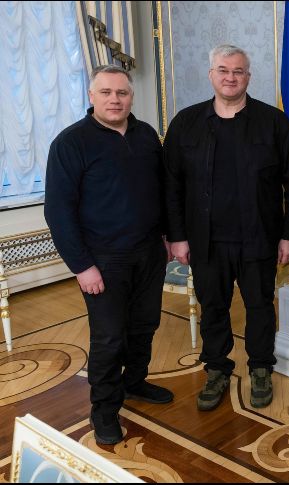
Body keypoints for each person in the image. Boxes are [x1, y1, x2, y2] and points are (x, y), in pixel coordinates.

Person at [164, 45, 289, 412]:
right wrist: (177, 236)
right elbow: (171, 186)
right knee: (213, 308)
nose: (230, 77)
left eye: (238, 71)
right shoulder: (185, 123)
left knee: (259, 307)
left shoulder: (275, 123)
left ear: (248, 77)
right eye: (223, 70)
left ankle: (260, 369)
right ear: (211, 74)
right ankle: (217, 369)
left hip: (260, 238)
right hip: (204, 241)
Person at [45, 65, 173, 445]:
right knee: (108, 338)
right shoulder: (70, 143)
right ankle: (103, 410)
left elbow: (161, 191)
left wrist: (167, 236)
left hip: (150, 252)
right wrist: (82, 266)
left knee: (144, 326)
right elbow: (59, 211)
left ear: (131, 96)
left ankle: (134, 383)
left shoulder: (147, 134)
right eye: (106, 92)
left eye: (122, 93)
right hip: (103, 260)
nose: (115, 99)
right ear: (91, 96)